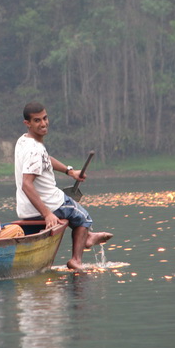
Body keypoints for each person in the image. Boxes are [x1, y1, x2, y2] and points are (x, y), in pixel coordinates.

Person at [14, 102, 113, 270]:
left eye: (45, 118)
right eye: (37, 120)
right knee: (83, 217)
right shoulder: (34, 150)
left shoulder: (24, 141)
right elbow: (26, 185)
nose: (43, 123)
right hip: (50, 204)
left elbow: (46, 158)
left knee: (75, 212)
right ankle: (76, 259)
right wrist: (47, 214)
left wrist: (70, 171)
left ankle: (87, 236)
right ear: (27, 123)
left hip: (25, 209)